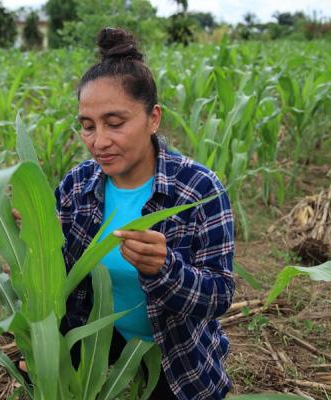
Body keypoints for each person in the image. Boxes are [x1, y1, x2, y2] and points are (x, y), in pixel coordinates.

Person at [55, 27, 236, 399]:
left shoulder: (198, 189)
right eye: (87, 127)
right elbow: (60, 279)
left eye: (115, 123)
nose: (99, 142)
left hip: (176, 354)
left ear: (153, 118)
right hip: (97, 347)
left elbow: (219, 294)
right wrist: (33, 239)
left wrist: (165, 269)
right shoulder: (77, 184)